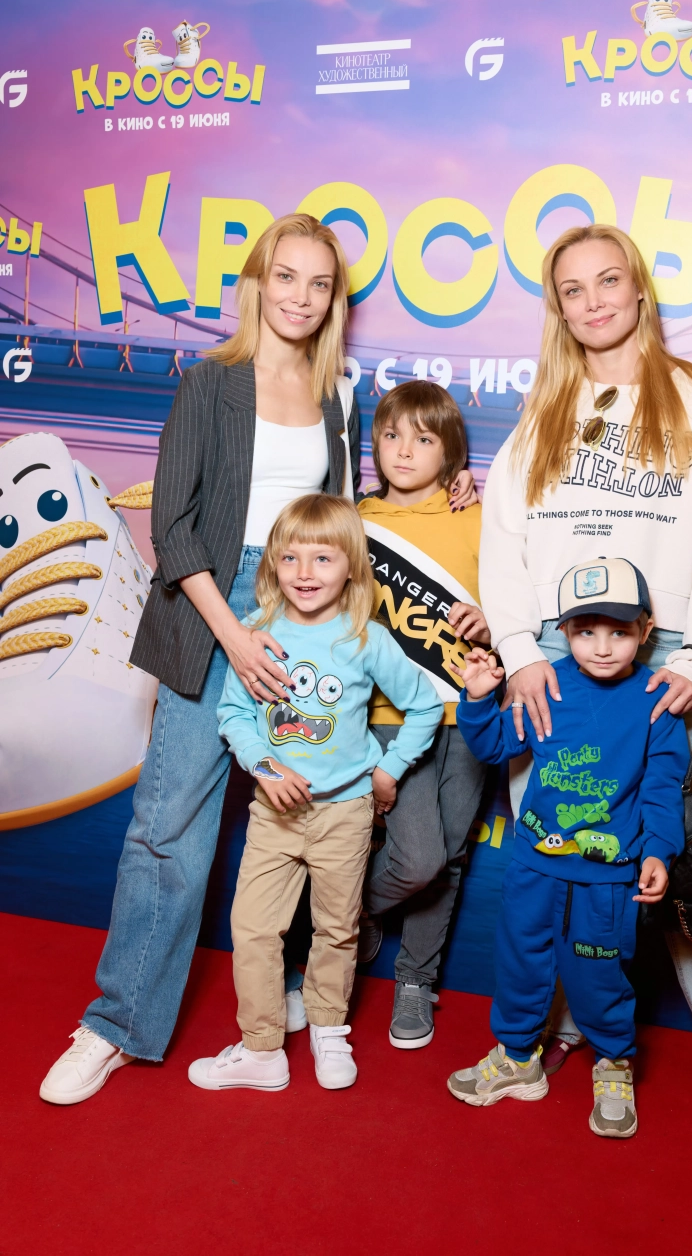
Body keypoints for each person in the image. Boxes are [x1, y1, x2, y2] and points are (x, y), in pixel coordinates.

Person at [39, 213, 475, 1107]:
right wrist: (235, 635)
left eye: (320, 284)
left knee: (320, 813)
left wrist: (453, 486)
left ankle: (298, 1003)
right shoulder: (209, 381)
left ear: (334, 300)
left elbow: (345, 523)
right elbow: (173, 526)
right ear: (255, 283)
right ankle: (116, 1025)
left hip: (306, 606)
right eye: (286, 277)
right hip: (212, 605)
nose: (301, 298)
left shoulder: (336, 395)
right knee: (171, 827)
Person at [477, 222, 692, 1141]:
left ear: (637, 290)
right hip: (554, 656)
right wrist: (518, 652)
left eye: (608, 281)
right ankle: (555, 1033)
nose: (593, 301)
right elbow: (504, 541)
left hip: (662, 650)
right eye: (573, 289)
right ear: (559, 309)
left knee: (688, 857)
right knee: (557, 853)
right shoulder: (545, 409)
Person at [188, 495, 443, 1092]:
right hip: (273, 814)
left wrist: (390, 769)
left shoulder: (366, 639)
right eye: (291, 557)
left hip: (346, 813)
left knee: (336, 928)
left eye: (323, 558)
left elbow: (425, 705)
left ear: (351, 566)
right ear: (273, 564)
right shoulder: (255, 634)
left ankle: (329, 1030)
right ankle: (262, 1049)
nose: (305, 573)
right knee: (253, 929)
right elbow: (234, 715)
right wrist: (265, 767)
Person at [448, 559, 687, 1136]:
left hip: (607, 877)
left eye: (619, 632)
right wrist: (478, 699)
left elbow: (662, 786)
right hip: (534, 864)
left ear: (646, 630)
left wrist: (659, 851)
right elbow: (496, 746)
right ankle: (518, 1059)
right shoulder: (545, 684)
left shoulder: (655, 699)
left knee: (599, 977)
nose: (602, 647)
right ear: (563, 631)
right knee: (519, 961)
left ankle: (613, 1062)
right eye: (585, 631)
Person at [355, 381, 489, 1049]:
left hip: (468, 713)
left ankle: (417, 978)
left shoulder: (478, 519)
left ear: (451, 453)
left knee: (452, 856)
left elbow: (517, 608)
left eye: (424, 438)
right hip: (389, 714)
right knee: (419, 859)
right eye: (392, 435)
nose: (404, 451)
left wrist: (491, 620)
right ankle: (349, 915)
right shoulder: (354, 519)